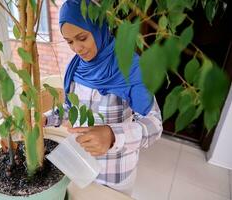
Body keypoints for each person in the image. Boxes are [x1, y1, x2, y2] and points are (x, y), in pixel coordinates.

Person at [44, 0, 163, 197]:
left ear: (99, 28)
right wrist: (46, 118)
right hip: (80, 166)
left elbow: (155, 125)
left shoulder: (131, 68)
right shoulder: (75, 68)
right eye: (69, 42)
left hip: (115, 175)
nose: (77, 48)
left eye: (82, 38)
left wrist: (112, 136)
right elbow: (69, 108)